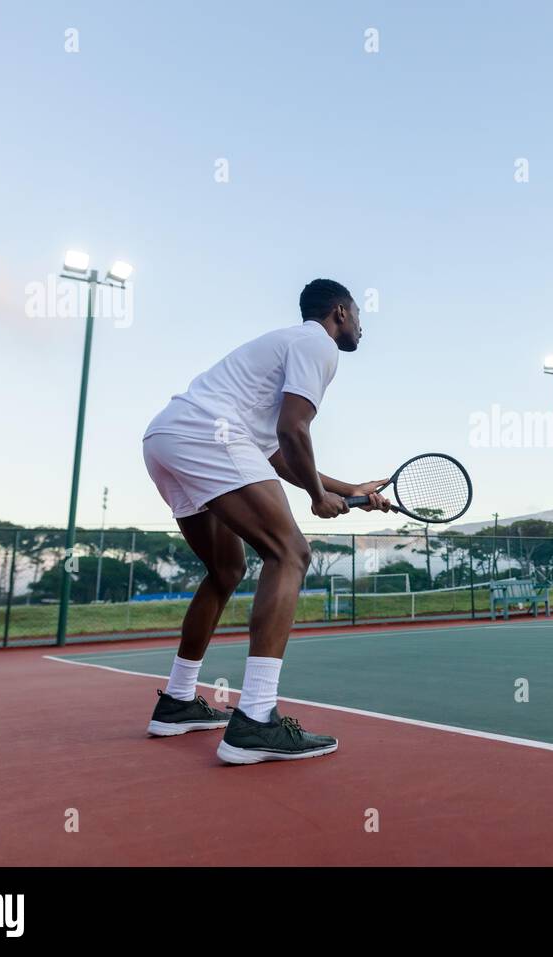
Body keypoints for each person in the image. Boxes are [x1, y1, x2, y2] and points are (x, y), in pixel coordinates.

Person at [141, 278, 390, 763]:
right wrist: (318, 499)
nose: (361, 325)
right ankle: (255, 718)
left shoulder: (284, 347)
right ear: (340, 313)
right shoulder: (318, 344)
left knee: (226, 569)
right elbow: (292, 430)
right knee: (290, 553)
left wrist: (347, 490)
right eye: (358, 315)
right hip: (208, 436)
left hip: (166, 437)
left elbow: (275, 454)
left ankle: (176, 700)